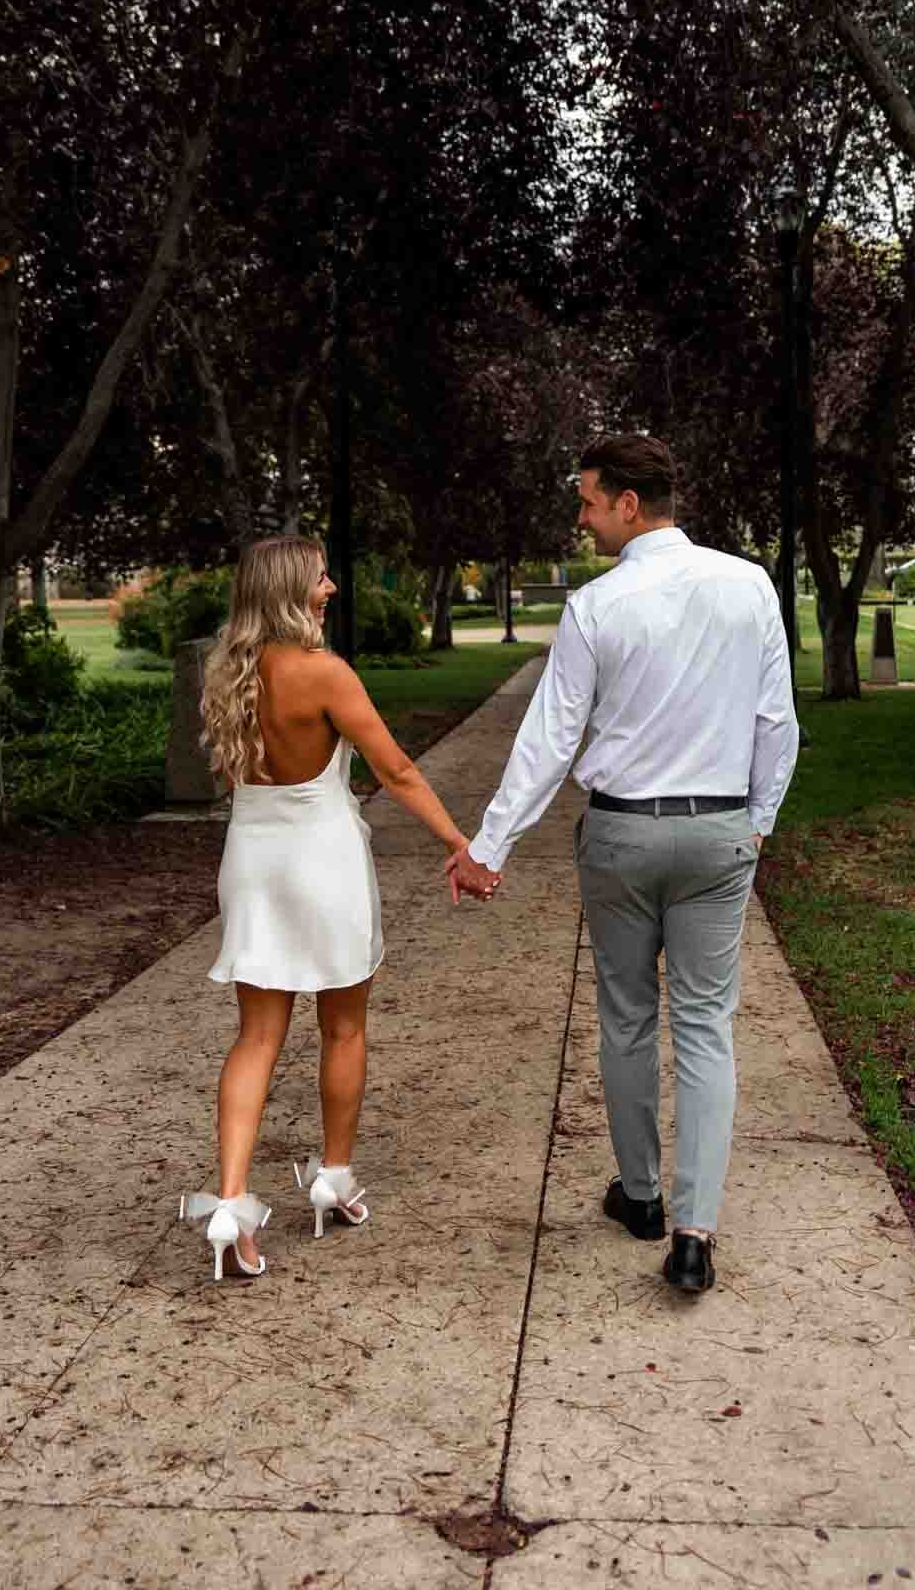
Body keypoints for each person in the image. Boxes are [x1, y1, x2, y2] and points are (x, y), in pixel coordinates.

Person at [446, 434, 798, 1295]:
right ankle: (694, 1231)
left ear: (629, 506)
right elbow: (775, 720)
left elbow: (551, 739)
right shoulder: (748, 584)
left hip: (622, 837)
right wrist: (757, 822)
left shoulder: (597, 606)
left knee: (628, 1016)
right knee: (707, 1025)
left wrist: (488, 847)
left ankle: (639, 1196)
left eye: (589, 500)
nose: (582, 515)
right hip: (718, 833)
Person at [178, 535, 478, 1281]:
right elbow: (398, 771)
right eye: (320, 579)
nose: (333, 588)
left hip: (252, 862)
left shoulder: (229, 674)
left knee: (255, 1038)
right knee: (343, 1027)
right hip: (324, 862)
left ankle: (231, 1205)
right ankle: (333, 1178)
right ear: (291, 591)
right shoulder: (323, 674)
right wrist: (458, 843)